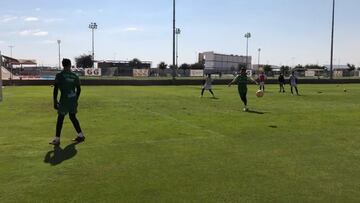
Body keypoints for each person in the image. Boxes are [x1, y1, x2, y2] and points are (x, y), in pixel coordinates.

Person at [49, 58, 85, 145]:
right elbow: (79, 89)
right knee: (72, 117)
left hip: (64, 101)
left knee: (60, 119)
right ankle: (80, 135)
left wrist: (55, 101)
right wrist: (76, 99)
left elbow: (56, 89)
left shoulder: (60, 75)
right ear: (70, 65)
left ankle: (57, 139)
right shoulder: (75, 75)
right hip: (72, 100)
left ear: (62, 65)